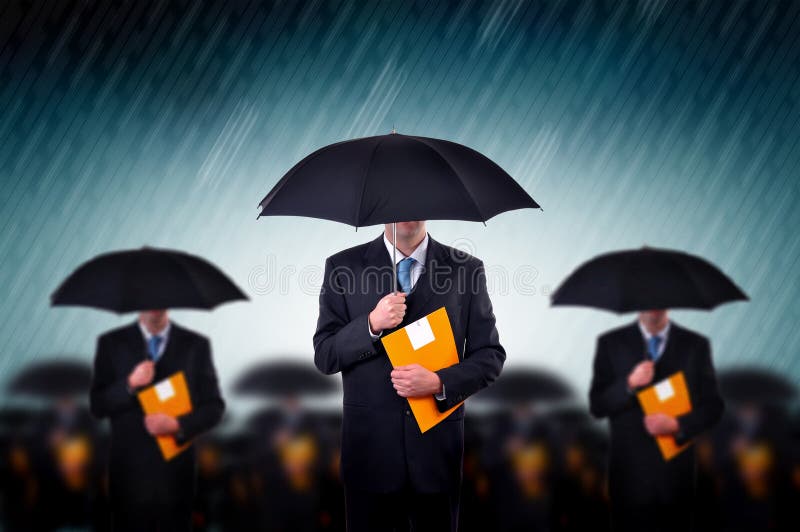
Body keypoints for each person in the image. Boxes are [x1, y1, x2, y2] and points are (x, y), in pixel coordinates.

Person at [314, 221, 506, 532]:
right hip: (369, 456)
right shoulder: (342, 267)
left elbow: (490, 356)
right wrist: (371, 325)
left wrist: (439, 382)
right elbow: (325, 355)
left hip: (436, 456)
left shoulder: (466, 269)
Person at [589, 309, 724, 532]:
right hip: (629, 480)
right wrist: (629, 384)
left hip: (676, 480)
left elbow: (713, 407)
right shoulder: (611, 343)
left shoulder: (695, 345)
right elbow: (598, 406)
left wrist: (678, 425)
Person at [89, 309, 225, 531]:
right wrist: (129, 385)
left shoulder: (196, 345)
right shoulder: (111, 343)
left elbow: (214, 407)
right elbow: (98, 406)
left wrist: (178, 425)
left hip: (175, 478)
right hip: (129, 478)